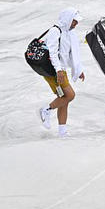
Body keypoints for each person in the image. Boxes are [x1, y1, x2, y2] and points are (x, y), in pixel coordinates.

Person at [38, 8, 85, 137]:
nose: (76, 24)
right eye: (74, 21)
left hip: (61, 70)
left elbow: (67, 54)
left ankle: (62, 131)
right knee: (70, 95)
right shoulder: (55, 31)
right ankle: (46, 110)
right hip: (54, 71)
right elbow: (52, 52)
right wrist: (58, 70)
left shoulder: (68, 33)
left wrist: (78, 69)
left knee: (64, 99)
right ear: (67, 19)